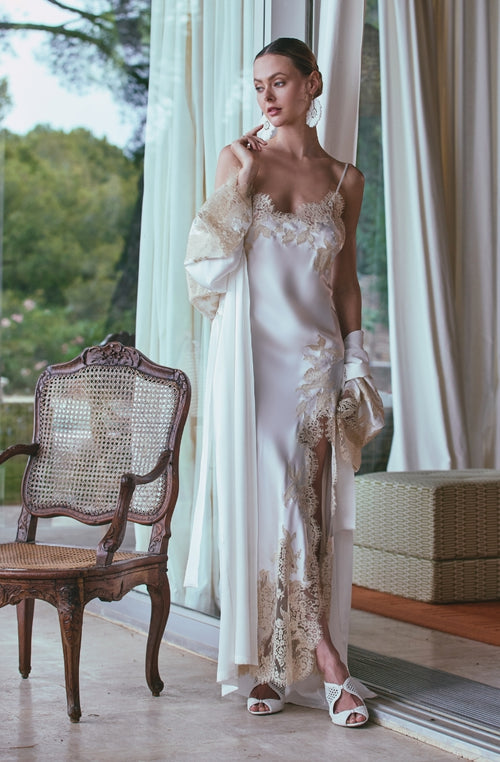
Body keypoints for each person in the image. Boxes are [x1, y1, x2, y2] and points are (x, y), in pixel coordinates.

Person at [184, 37, 384, 727]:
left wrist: (357, 360)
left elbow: (346, 283)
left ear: (313, 83)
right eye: (259, 85)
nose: (267, 96)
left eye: (280, 81)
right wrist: (242, 183)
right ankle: (326, 665)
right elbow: (207, 268)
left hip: (315, 365)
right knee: (275, 505)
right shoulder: (239, 160)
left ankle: (279, 664)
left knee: (307, 511)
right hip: (252, 365)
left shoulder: (346, 179)